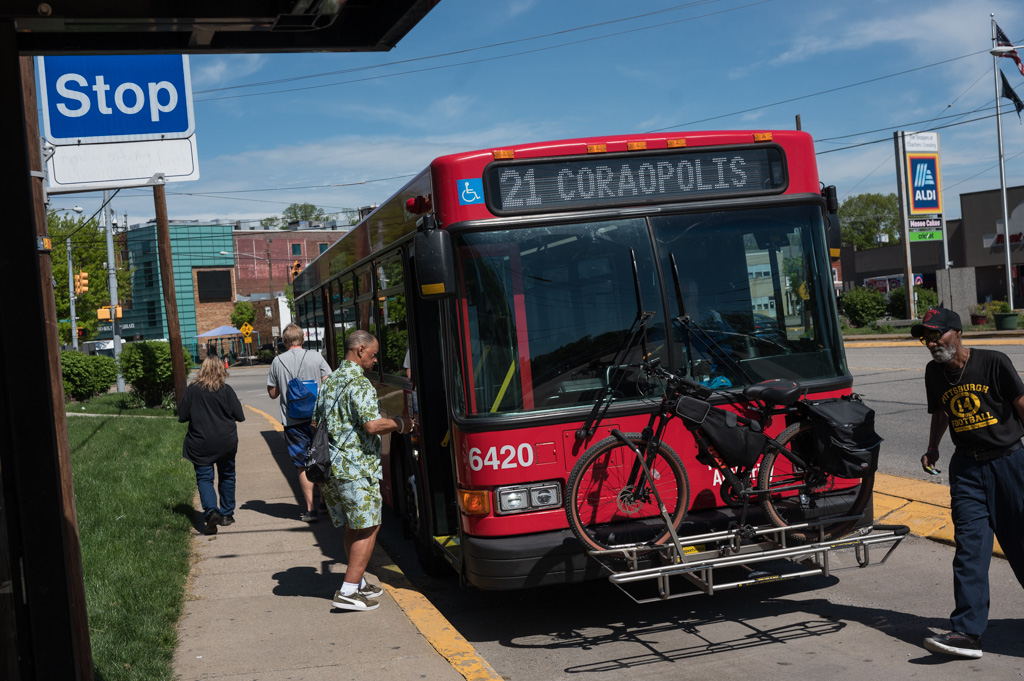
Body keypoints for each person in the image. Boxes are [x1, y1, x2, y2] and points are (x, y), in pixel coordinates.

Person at [912, 307, 1024, 659]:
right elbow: (941, 411)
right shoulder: (934, 372)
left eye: (937, 335)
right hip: (967, 470)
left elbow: (1021, 403)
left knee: (1021, 544)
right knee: (969, 550)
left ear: (957, 333)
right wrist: (933, 447)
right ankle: (967, 632)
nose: (932, 343)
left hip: (1009, 463)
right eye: (926, 338)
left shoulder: (993, 362)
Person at [313, 330, 413, 611]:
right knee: (369, 526)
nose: (375, 359)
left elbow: (315, 422)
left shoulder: (330, 381)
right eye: (373, 354)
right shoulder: (360, 383)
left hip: (331, 468)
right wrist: (401, 424)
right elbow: (372, 425)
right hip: (356, 469)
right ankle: (347, 591)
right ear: (359, 350)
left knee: (353, 525)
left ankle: (357, 583)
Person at [267, 323, 332, 522]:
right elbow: (329, 382)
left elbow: (272, 393)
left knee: (302, 464)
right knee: (320, 458)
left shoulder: (277, 361)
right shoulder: (315, 357)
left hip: (292, 421)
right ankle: (324, 503)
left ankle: (310, 509)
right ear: (303, 339)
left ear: (284, 341)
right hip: (317, 419)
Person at [179, 356, 246, 536]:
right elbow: (240, 416)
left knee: (204, 478)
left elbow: (182, 416)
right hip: (226, 441)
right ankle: (226, 514)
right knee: (227, 475)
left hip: (200, 442)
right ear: (221, 370)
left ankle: (211, 511)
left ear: (202, 370)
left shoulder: (192, 391)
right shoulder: (226, 390)